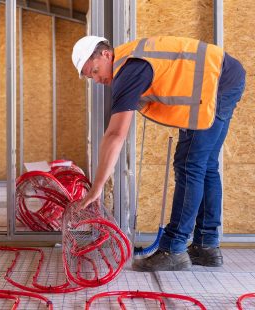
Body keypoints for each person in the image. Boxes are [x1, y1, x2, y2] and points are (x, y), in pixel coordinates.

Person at [72, 36, 245, 271]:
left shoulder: (128, 70)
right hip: (226, 76)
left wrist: (97, 187)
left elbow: (115, 135)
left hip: (214, 83)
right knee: (206, 165)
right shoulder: (130, 60)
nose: (97, 79)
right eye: (90, 76)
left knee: (189, 165)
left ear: (105, 55)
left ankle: (174, 248)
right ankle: (206, 246)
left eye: (94, 70)